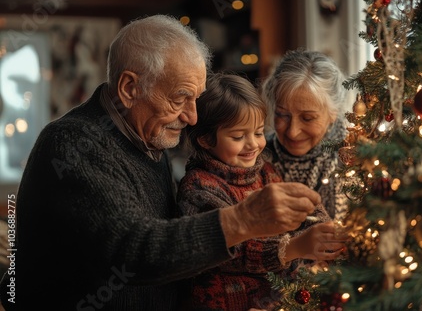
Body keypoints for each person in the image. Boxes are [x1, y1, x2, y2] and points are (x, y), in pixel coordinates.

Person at [0, 16, 322, 311]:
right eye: (180, 97)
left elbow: (172, 245)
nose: (193, 116)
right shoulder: (71, 144)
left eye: (195, 98)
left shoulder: (149, 138)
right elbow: (134, 251)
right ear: (129, 88)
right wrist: (243, 219)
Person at [177, 73, 346, 310]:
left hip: (280, 299)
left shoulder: (265, 171)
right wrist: (295, 247)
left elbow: (303, 216)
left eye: (257, 132)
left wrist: (325, 231)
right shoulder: (199, 187)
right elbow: (230, 250)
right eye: (238, 136)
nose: (253, 144)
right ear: (205, 139)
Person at [260, 49, 353, 222]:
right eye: (282, 114)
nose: (293, 132)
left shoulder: (355, 162)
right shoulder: (255, 158)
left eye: (308, 118)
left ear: (334, 112)